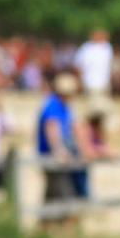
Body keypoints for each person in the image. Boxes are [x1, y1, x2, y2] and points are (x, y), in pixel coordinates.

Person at [37, 72, 82, 202]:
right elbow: (51, 129)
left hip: (58, 154)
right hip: (51, 155)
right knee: (63, 191)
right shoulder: (54, 105)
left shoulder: (63, 106)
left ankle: (46, 220)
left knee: (52, 192)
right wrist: (59, 151)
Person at [74, 29, 113, 111]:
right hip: (89, 82)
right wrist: (79, 80)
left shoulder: (107, 47)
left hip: (104, 83)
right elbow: (78, 65)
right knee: (91, 107)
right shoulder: (85, 48)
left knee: (103, 107)